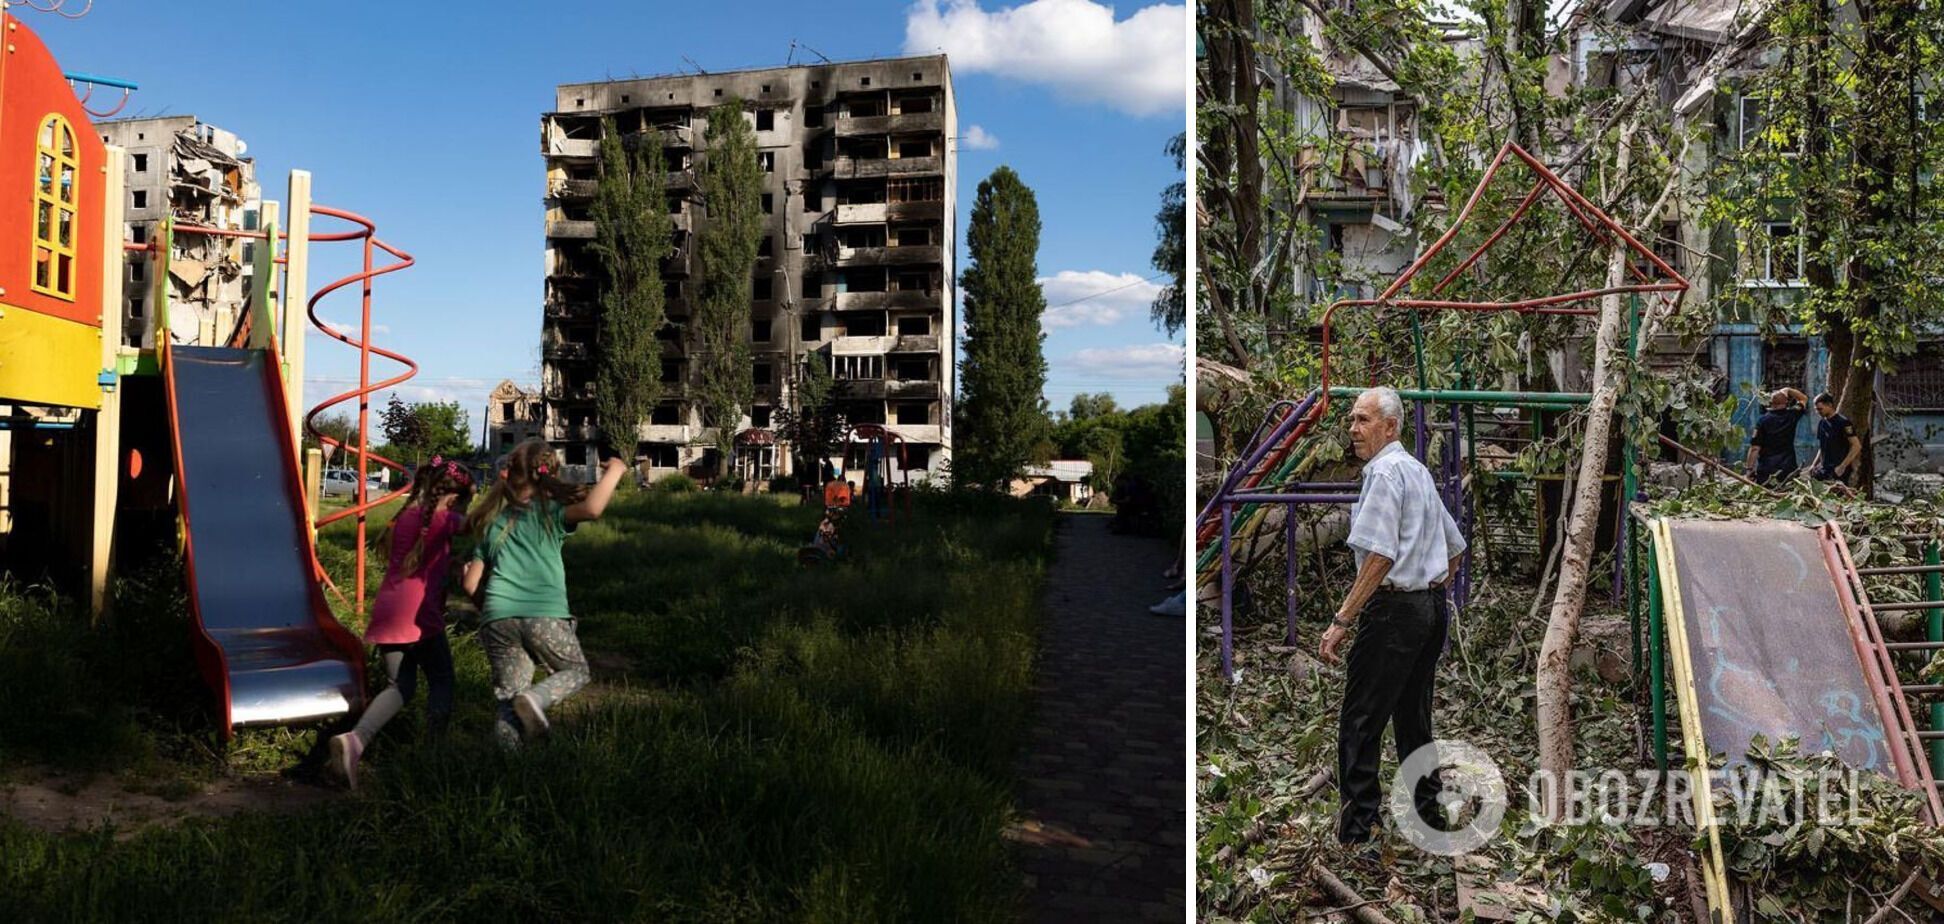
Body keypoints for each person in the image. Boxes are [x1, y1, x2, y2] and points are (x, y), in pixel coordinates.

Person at [1318, 387, 1464, 847]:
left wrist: (1342, 620)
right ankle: (1430, 816)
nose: (1353, 430)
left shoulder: (1383, 473)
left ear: (1391, 426)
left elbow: (1379, 554)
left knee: (1360, 720)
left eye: (1363, 420)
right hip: (1428, 609)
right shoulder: (1416, 471)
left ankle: (1358, 829)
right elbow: (1455, 547)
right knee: (1413, 717)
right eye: (1352, 420)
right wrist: (1429, 586)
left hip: (1395, 612)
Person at [461, 440, 627, 748]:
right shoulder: (551, 513)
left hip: (497, 620)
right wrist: (615, 469)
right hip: (543, 614)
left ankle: (509, 772)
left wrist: (491, 610)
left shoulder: (492, 523)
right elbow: (593, 508)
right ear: (549, 475)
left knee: (508, 704)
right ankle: (535, 700)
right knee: (575, 671)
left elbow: (470, 585)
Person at [328, 456, 473, 788]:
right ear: (453, 498)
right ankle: (433, 752)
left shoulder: (406, 517)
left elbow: (424, 560)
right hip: (420, 617)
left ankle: (355, 741)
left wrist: (448, 565)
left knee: (400, 686)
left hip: (389, 612)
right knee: (442, 680)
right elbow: (481, 525)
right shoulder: (447, 520)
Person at [1743, 386, 1810, 485]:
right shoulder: (1793, 414)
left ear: (1771, 403)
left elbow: (1755, 448)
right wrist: (1788, 390)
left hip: (1767, 471)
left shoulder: (1762, 421)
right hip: (1788, 469)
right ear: (1786, 402)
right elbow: (1803, 398)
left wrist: (1749, 470)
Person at [1808, 392, 1862, 487]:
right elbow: (1822, 446)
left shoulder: (1843, 422)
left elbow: (1856, 446)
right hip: (1825, 468)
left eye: (1820, 409)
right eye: (1816, 410)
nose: (1818, 412)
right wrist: (1814, 464)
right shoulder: (1822, 423)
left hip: (1838, 469)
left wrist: (1842, 466)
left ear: (1829, 405)